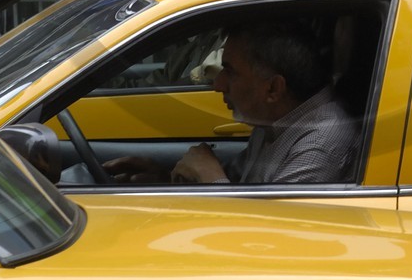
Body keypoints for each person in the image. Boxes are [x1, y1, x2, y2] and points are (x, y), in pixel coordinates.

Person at [109, 20, 360, 186]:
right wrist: (164, 179)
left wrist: (210, 177)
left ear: (273, 88)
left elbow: (271, 237)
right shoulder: (275, 121)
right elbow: (239, 184)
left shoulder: (321, 144)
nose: (218, 84)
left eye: (229, 72)